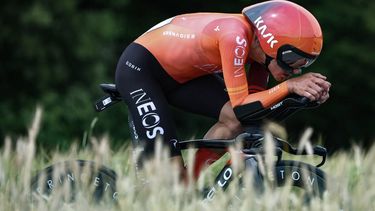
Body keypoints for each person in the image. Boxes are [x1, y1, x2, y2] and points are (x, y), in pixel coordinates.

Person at [114, 0, 331, 176]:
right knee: (169, 175)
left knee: (237, 122)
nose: (296, 71)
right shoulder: (235, 36)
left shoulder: (260, 52)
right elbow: (241, 105)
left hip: (183, 75)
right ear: (270, 44)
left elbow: (252, 112)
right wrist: (290, 87)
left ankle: (189, 184)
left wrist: (303, 97)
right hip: (142, 70)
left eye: (305, 64)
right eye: (292, 62)